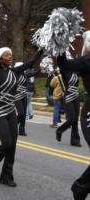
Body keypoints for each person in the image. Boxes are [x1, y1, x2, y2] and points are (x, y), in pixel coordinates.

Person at [0, 48, 43, 187]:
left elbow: (31, 62)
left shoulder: (14, 72)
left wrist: (43, 48)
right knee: (7, 144)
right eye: (6, 54)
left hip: (10, 111)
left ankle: (6, 176)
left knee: (12, 146)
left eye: (11, 54)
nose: (10, 56)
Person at [57, 30, 90, 200]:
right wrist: (60, 41)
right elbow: (64, 65)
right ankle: (80, 187)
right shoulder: (84, 62)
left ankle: (81, 187)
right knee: (71, 119)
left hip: (77, 99)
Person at [56, 59, 81, 147]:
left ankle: (75, 140)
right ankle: (59, 130)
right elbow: (61, 63)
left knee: (75, 120)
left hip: (76, 97)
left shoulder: (77, 72)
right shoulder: (65, 72)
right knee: (71, 119)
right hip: (68, 97)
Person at [14, 62, 40, 136]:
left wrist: (40, 70)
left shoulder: (25, 74)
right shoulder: (14, 74)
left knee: (24, 114)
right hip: (17, 96)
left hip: (24, 95)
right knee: (21, 113)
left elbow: (33, 74)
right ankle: (13, 124)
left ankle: (21, 130)